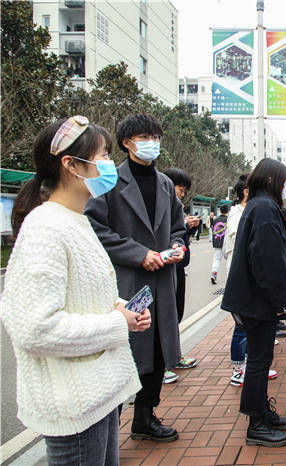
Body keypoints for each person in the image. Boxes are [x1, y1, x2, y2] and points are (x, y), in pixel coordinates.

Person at [0, 116, 149, 465]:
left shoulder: (76, 220)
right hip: (75, 401)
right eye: (102, 156)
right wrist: (117, 323)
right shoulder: (46, 228)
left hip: (98, 394)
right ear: (70, 164)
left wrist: (122, 308)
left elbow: (86, 295)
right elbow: (36, 329)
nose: (109, 165)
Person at [85, 113, 185, 442]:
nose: (152, 143)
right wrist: (138, 253)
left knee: (157, 351)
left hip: (162, 280)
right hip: (129, 280)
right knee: (125, 352)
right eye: (145, 136)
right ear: (127, 142)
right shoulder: (109, 181)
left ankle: (145, 416)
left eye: (156, 137)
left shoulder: (166, 184)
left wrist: (176, 247)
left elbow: (177, 229)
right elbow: (96, 227)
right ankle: (107, 428)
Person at [221, 158, 286, 447]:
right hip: (257, 300)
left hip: (252, 299)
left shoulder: (260, 204)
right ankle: (256, 423)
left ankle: (262, 412)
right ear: (273, 180)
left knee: (260, 359)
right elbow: (267, 261)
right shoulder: (265, 208)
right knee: (258, 362)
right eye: (285, 180)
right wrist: (281, 300)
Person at [224, 175, 280, 387]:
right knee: (242, 327)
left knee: (250, 327)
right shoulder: (237, 213)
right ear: (246, 191)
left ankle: (249, 366)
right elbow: (239, 238)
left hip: (252, 277)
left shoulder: (253, 209)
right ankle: (238, 370)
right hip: (241, 278)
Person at [162, 168, 200, 384]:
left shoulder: (175, 208)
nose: (181, 195)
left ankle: (174, 357)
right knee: (163, 318)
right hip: (164, 269)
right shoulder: (159, 207)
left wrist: (186, 226)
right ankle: (163, 365)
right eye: (180, 189)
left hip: (178, 268)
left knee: (176, 315)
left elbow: (177, 234)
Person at [210, 205, 228, 284]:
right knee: (229, 260)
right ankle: (229, 278)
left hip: (218, 242)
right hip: (227, 242)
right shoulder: (229, 220)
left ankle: (214, 274)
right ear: (227, 211)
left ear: (220, 211)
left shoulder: (215, 220)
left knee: (216, 259)